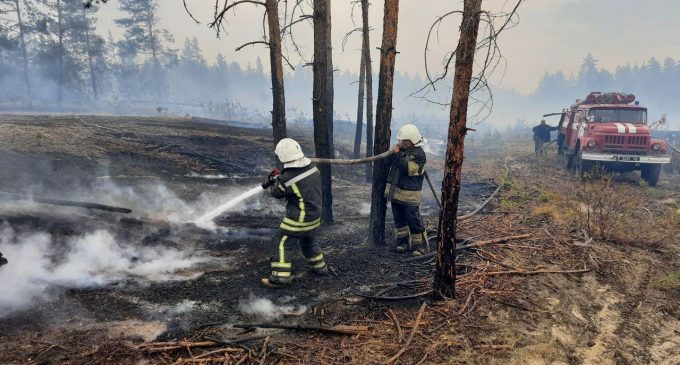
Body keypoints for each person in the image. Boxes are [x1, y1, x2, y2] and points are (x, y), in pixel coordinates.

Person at [260, 138, 328, 288]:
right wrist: (281, 178)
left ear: (283, 156)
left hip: (299, 219)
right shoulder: (312, 167)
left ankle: (280, 277)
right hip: (314, 217)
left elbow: (276, 193)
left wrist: (273, 183)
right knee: (308, 240)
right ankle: (320, 268)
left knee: (280, 242)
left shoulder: (287, 178)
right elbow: (299, 182)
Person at [385, 124, 428, 256]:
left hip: (410, 194)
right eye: (400, 140)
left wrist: (398, 155)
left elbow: (408, 169)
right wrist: (392, 154)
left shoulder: (420, 155)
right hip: (396, 192)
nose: (400, 143)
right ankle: (403, 242)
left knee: (413, 220)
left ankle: (420, 246)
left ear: (412, 141)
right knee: (399, 220)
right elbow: (388, 163)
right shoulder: (401, 151)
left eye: (403, 141)